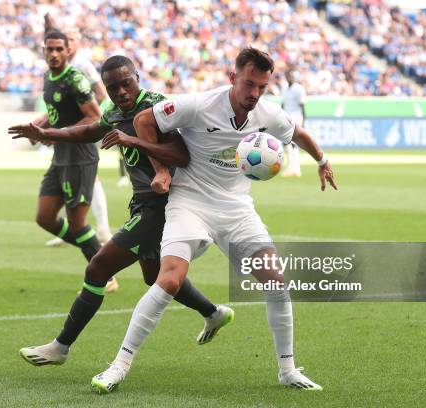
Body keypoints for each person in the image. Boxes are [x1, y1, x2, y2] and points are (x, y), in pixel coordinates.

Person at [91, 47, 337, 393]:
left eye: (261, 87)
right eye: (249, 84)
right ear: (233, 77)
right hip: (189, 202)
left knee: (277, 281)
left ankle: (288, 369)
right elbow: (145, 120)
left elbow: (297, 133)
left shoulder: (268, 114)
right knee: (170, 280)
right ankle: (117, 366)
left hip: (236, 209)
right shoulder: (198, 104)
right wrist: (162, 170)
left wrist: (322, 159)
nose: (254, 94)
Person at [8, 55, 233, 367]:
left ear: (137, 78)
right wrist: (46, 134)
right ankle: (213, 312)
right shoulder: (114, 112)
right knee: (154, 276)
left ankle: (60, 346)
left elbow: (180, 154)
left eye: (126, 83)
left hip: (164, 206)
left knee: (97, 269)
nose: (121, 92)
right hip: (143, 203)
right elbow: (88, 131)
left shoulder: (156, 109)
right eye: (113, 88)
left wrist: (143, 151)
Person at [20, 29, 104, 272]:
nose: (54, 54)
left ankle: (103, 273)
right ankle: (97, 255)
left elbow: (94, 117)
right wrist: (37, 126)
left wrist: (53, 134)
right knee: (44, 217)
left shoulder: (75, 79)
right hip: (61, 156)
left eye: (59, 49)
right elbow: (55, 112)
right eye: (50, 49)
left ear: (68, 51)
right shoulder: (49, 77)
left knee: (78, 225)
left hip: (80, 157)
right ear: (43, 51)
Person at [43, 14, 113, 250]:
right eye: (66, 39)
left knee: (92, 181)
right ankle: (79, 232)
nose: (68, 45)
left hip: (81, 137)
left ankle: (102, 229)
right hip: (63, 141)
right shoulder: (56, 69)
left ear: (75, 44)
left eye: (71, 40)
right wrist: (42, 126)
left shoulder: (80, 66)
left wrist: (82, 126)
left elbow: (100, 96)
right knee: (53, 211)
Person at [281, 70, 306, 177]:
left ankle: (296, 168)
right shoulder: (285, 88)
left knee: (293, 143)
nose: (290, 78)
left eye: (291, 76)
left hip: (296, 118)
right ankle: (291, 166)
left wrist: (303, 121)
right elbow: (283, 104)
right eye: (288, 76)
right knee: (286, 142)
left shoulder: (299, 88)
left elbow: (302, 105)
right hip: (287, 117)